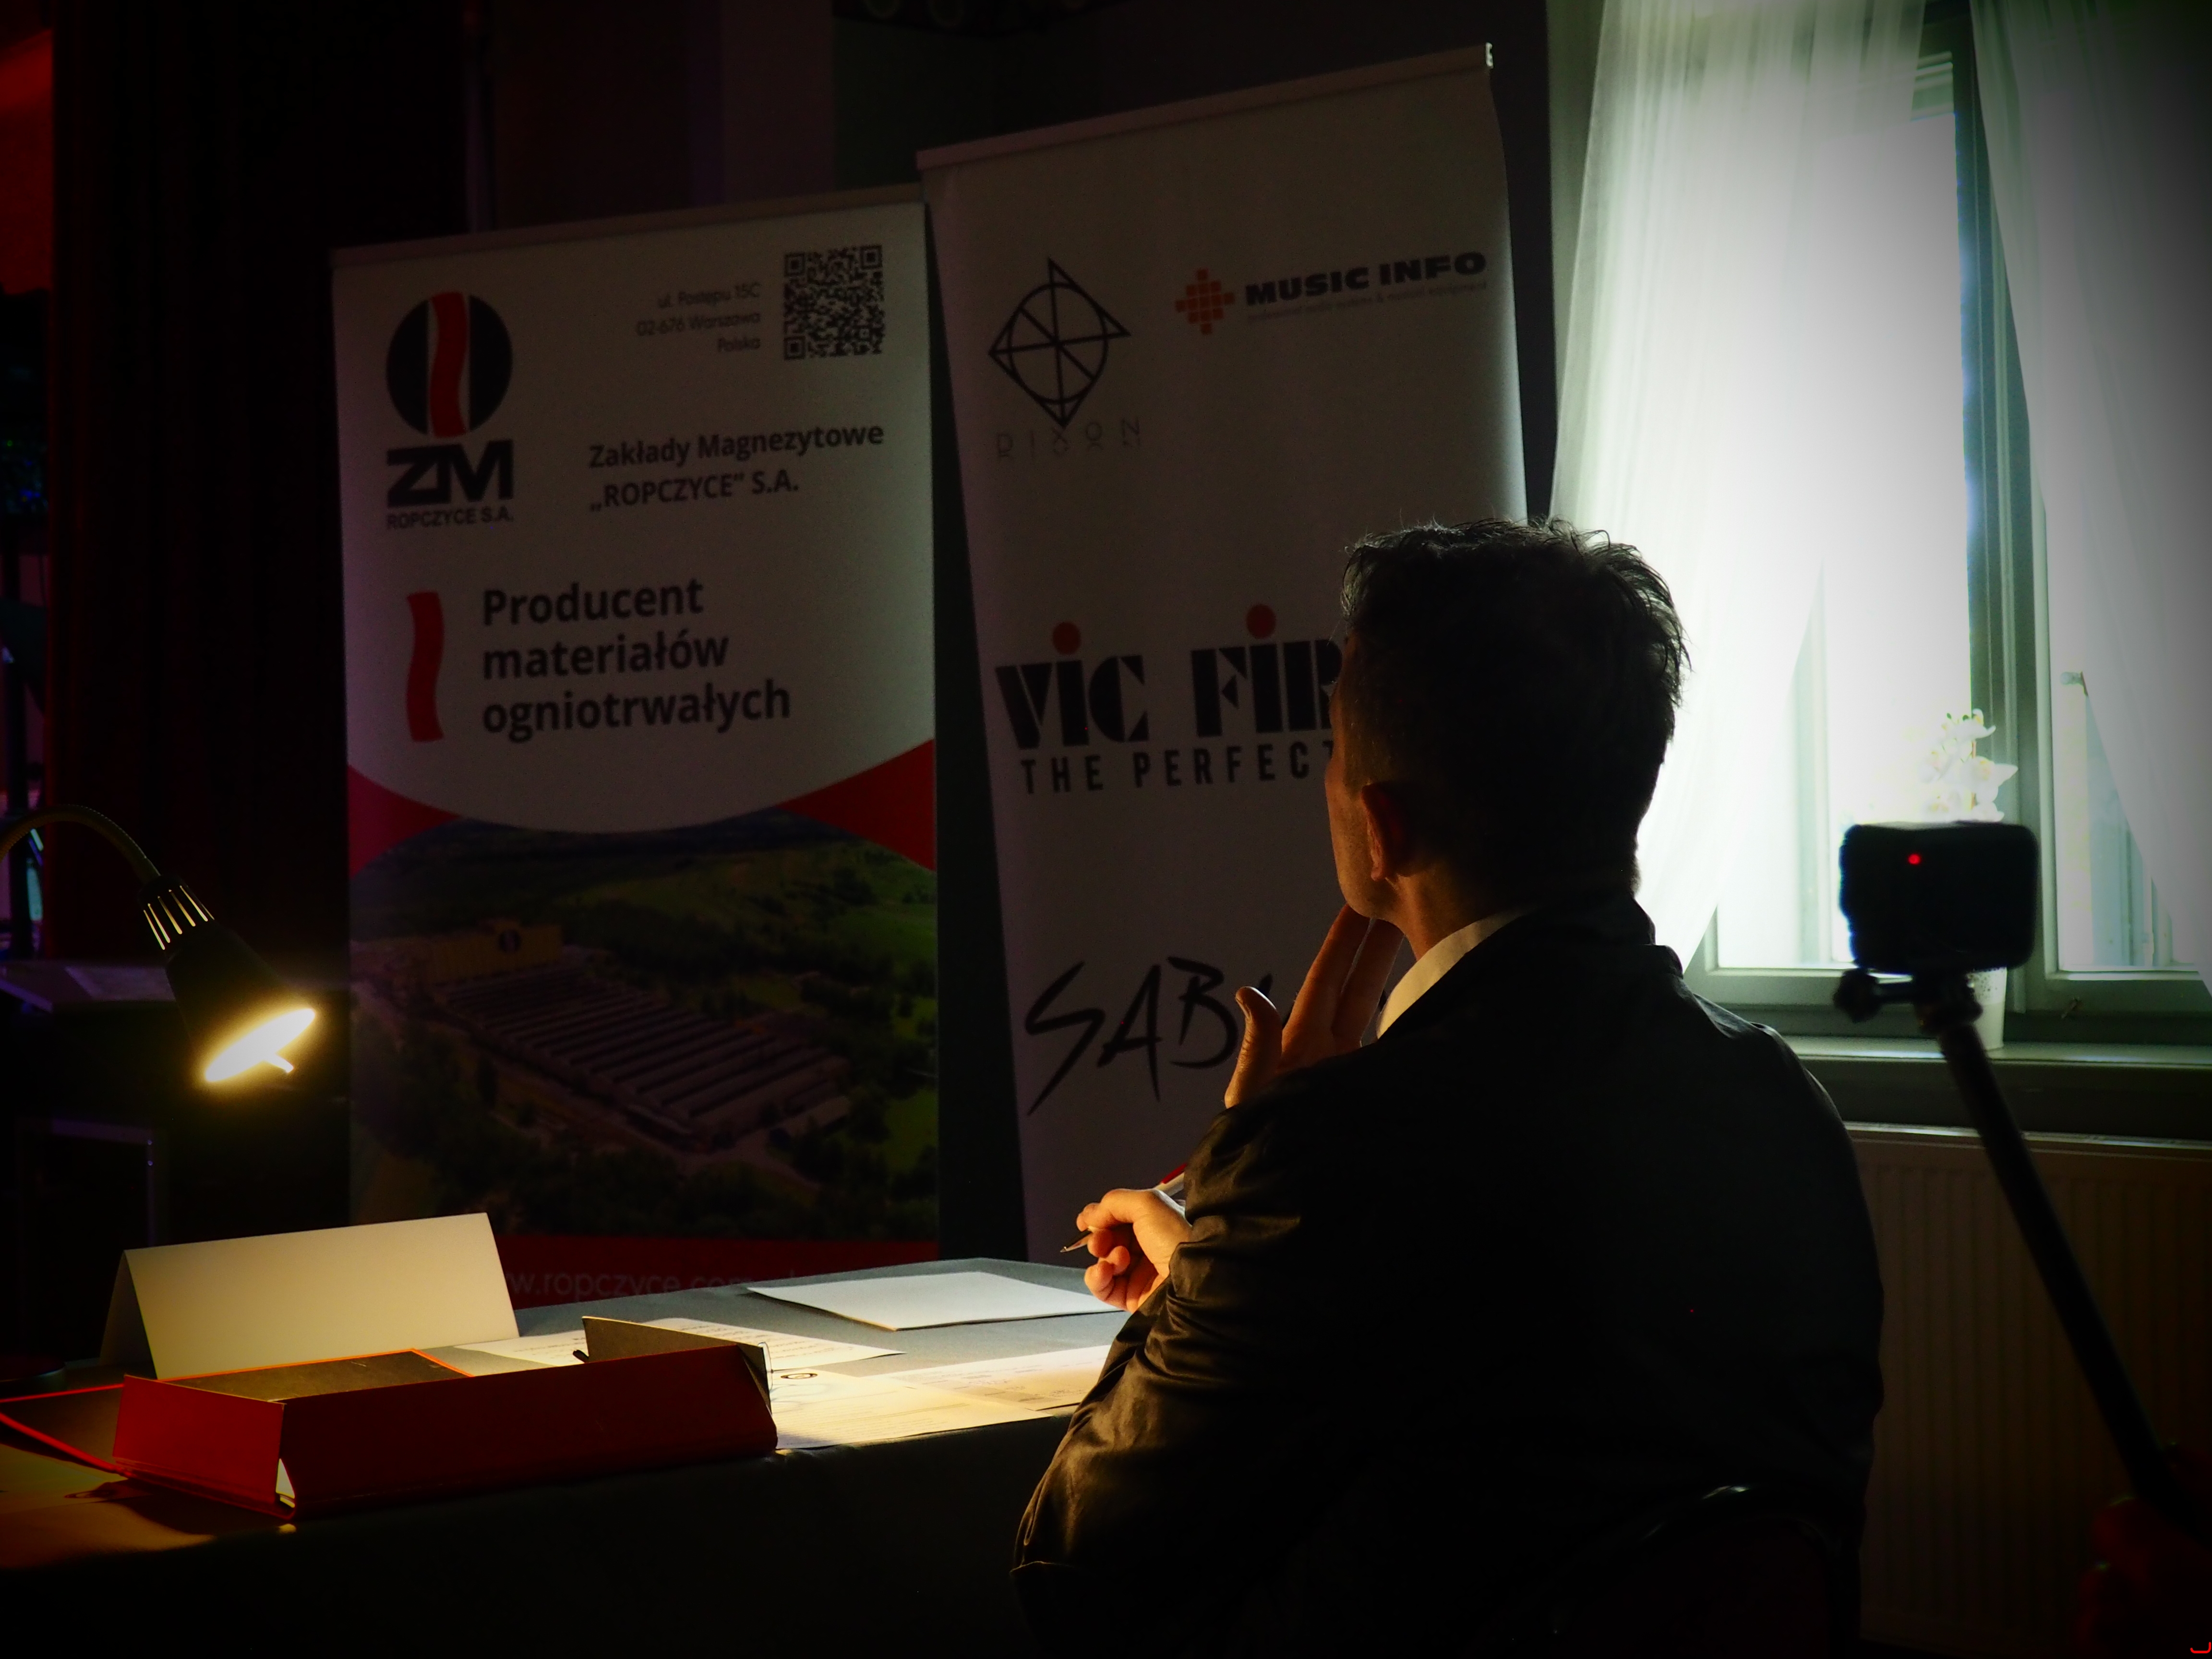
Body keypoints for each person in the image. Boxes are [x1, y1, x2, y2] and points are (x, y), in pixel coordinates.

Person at [1011, 519, 1886, 1653]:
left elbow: (1074, 1566)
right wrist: (1220, 1260)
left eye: (1333, 753)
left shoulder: (1333, 1154)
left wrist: (1244, 1189)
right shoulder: (1783, 1102)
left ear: (1380, 827)